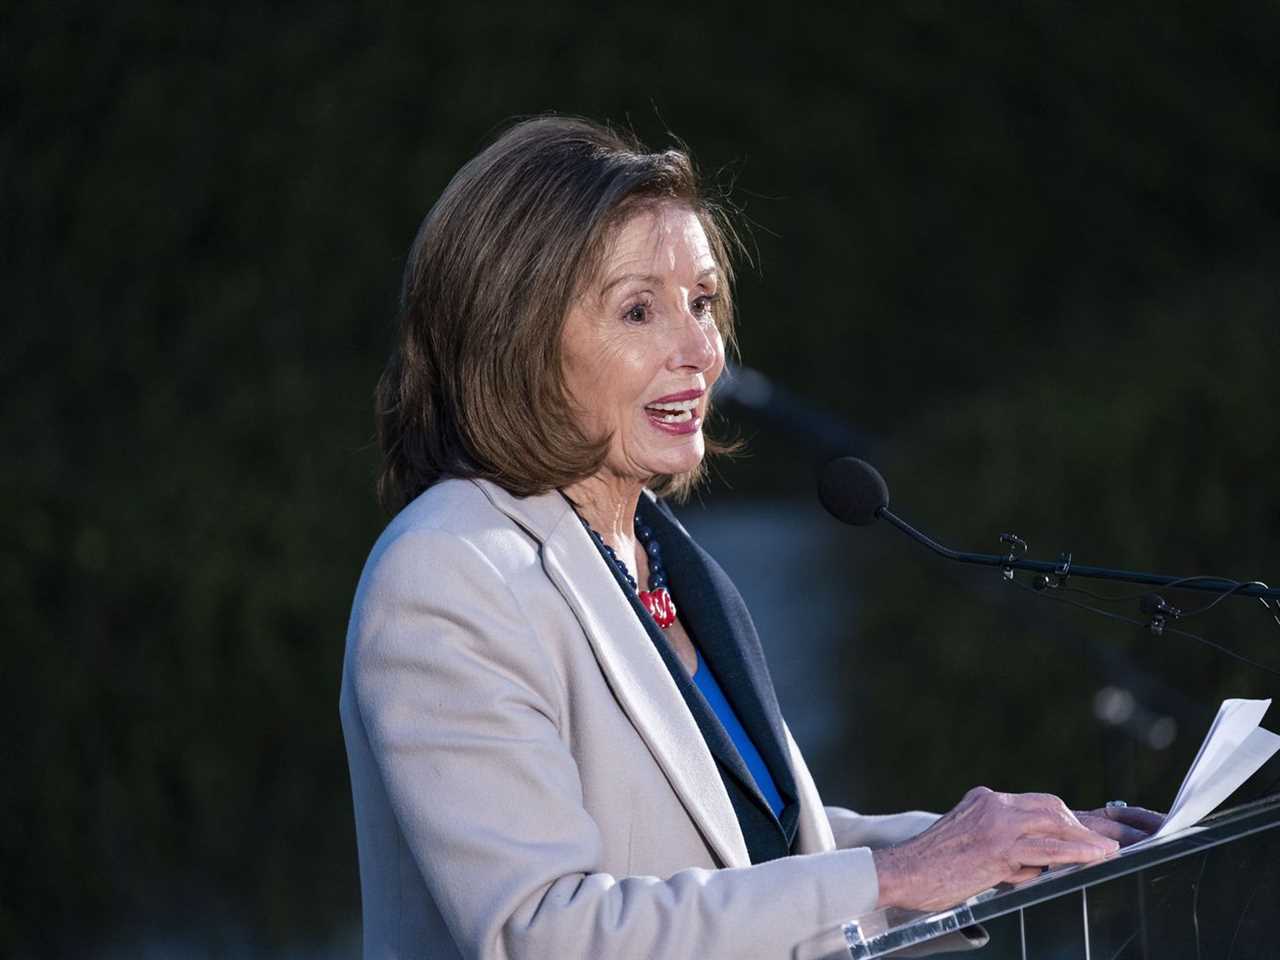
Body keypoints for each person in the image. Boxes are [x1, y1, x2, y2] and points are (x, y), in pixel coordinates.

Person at [339, 116, 1161, 959]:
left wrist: (1008, 851)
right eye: (638, 310)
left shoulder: (651, 547)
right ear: (513, 339)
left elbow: (750, 845)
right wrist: (899, 875)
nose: (702, 349)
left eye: (702, 302)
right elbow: (546, 932)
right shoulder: (450, 571)